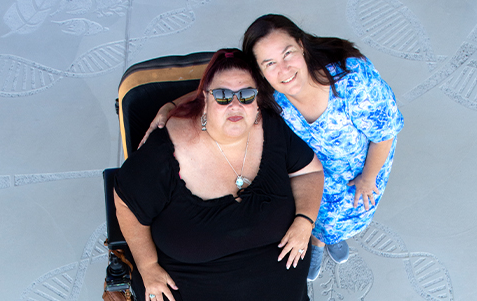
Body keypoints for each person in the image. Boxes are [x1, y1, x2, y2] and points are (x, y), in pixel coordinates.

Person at [142, 14, 404, 281]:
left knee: (346, 217)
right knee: (313, 214)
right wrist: (173, 105)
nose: (284, 70)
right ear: (260, 73)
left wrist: (369, 177)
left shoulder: (352, 78)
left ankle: (331, 239)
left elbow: (385, 132)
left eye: (287, 54)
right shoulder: (269, 95)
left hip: (359, 173)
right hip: (307, 174)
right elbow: (222, 92)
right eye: (270, 63)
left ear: (302, 45)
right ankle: (318, 241)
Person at [114, 49, 324, 301]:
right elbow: (126, 201)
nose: (236, 105)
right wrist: (148, 265)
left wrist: (304, 219)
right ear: (205, 103)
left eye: (246, 95)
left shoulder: (271, 129)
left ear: (258, 104)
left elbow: (309, 171)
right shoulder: (168, 152)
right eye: (223, 96)